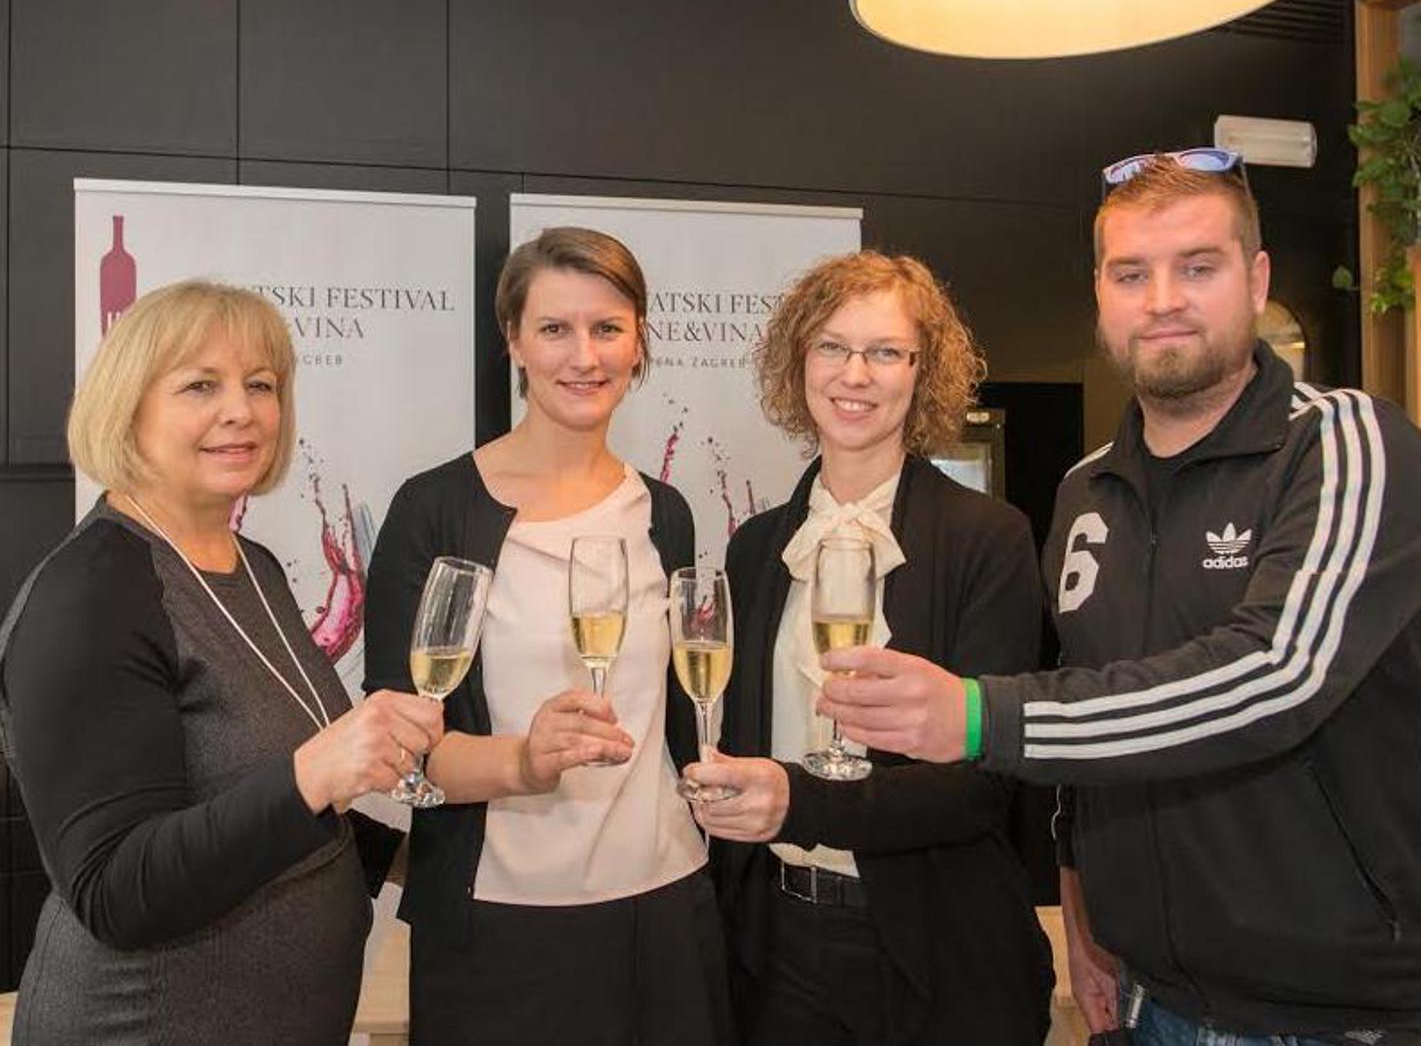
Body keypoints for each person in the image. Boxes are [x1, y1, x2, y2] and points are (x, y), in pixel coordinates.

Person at [816, 152, 1421, 1045]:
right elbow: (1090, 691)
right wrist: (1080, 898)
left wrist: (980, 716)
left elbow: (1276, 675)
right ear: (1100, 295)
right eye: (1131, 274)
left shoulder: (1343, 442)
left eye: (1197, 267)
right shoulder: (1085, 489)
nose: (1162, 300)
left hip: (1335, 1014)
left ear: (1256, 281)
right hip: (1148, 1001)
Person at [0, 280, 443, 1044]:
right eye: (200, 385)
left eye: (260, 385)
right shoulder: (92, 593)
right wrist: (317, 772)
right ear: (127, 407)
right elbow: (115, 889)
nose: (241, 410)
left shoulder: (253, 565)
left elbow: (257, 798)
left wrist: (417, 864)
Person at [362, 226, 734, 1046]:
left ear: (638, 342)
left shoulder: (665, 512)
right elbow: (399, 746)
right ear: (514, 342)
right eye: (555, 329)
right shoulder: (433, 509)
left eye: (608, 328)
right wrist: (523, 762)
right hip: (499, 925)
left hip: (665, 906)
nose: (584, 356)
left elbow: (681, 725)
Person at [682, 250, 1054, 1045]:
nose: (855, 374)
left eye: (885, 351)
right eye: (832, 346)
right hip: (773, 950)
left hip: (938, 952)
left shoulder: (988, 538)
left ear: (923, 370)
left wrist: (800, 800)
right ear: (799, 361)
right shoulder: (755, 548)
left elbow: (983, 786)